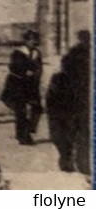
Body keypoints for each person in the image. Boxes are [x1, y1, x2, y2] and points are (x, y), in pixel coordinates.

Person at [45, 30, 91, 175]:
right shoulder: (64, 73)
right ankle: (78, 163)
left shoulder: (62, 72)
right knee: (80, 135)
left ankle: (72, 161)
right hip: (73, 104)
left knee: (70, 134)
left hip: (71, 106)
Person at [1, 29, 44, 145]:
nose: (35, 43)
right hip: (17, 85)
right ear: (26, 41)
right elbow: (13, 68)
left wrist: (37, 76)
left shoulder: (37, 53)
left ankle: (28, 129)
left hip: (31, 85)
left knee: (37, 108)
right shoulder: (18, 53)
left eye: (36, 40)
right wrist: (25, 72)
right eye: (32, 40)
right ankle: (23, 137)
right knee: (21, 111)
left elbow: (39, 67)